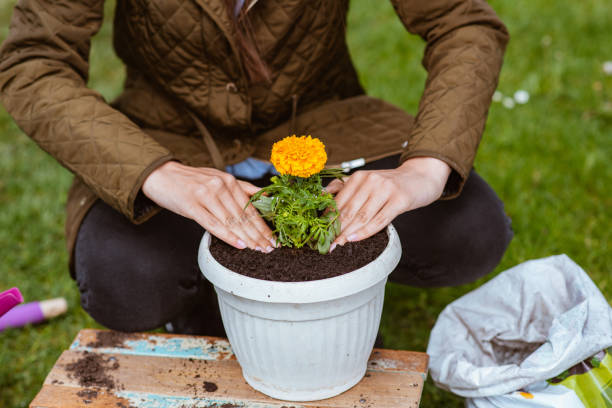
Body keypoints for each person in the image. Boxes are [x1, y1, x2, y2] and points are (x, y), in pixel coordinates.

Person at [0, 0, 512, 335]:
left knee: (467, 230)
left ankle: (319, 294)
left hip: (322, 125)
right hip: (167, 137)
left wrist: (424, 166)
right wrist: (154, 172)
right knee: (127, 280)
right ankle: (215, 304)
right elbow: (34, 63)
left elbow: (462, 22)